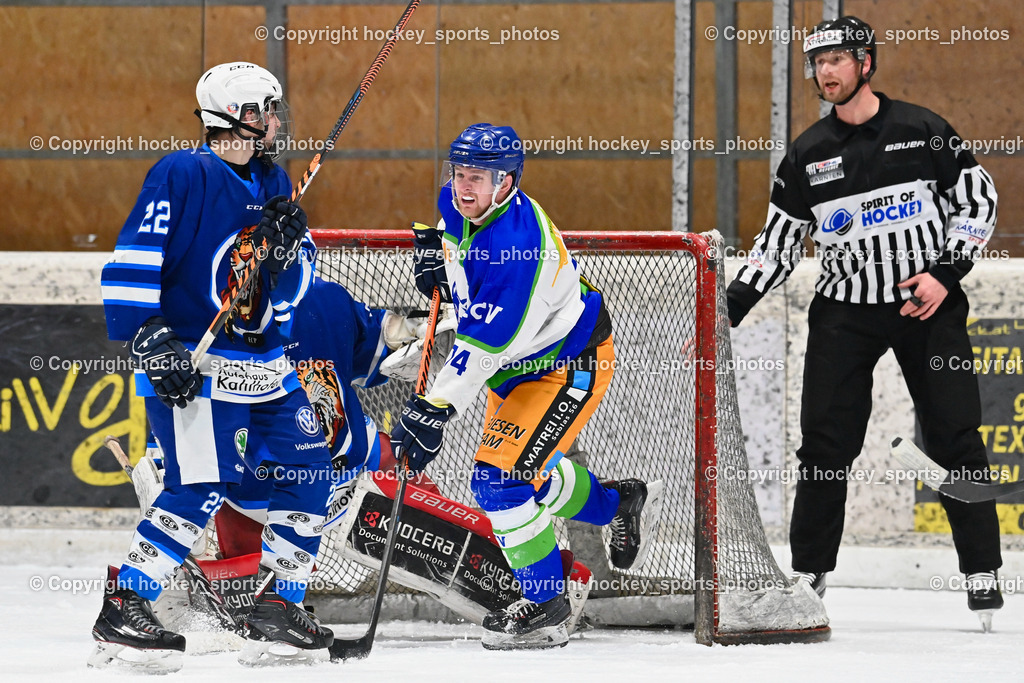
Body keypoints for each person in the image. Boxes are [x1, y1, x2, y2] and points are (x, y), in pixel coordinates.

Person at [725, 16, 1003, 629]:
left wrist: (944, 273)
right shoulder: (807, 153)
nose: (825, 71)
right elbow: (778, 244)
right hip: (844, 313)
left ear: (866, 64)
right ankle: (809, 575)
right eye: (817, 62)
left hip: (926, 307)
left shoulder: (922, 129)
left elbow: (978, 201)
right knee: (824, 445)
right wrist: (728, 308)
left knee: (957, 436)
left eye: (837, 59)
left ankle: (981, 570)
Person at [94, 62, 335, 671]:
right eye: (268, 109)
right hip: (195, 363)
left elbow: (292, 285)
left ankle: (278, 602)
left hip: (266, 365)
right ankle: (126, 603)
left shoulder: (275, 178)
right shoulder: (183, 172)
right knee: (199, 489)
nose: (278, 121)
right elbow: (130, 263)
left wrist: (286, 250)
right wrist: (150, 339)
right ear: (242, 116)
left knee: (312, 474)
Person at [390, 123, 663, 650]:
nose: (463, 187)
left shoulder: (516, 249)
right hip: (517, 364)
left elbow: (477, 351)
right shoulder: (462, 201)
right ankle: (617, 503)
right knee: (524, 478)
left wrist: (431, 409)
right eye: (459, 173)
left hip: (566, 365)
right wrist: (443, 269)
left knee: (499, 483)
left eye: (479, 177)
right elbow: (461, 255)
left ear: (508, 181)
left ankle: (546, 607)